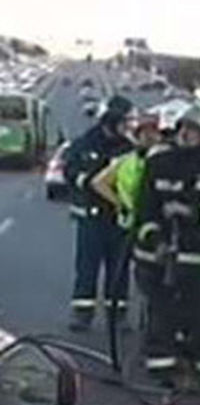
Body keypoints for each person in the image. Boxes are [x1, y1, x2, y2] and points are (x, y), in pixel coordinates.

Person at [133, 103, 200, 394]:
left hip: (197, 255)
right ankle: (162, 366)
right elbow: (144, 211)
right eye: (183, 129)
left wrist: (193, 213)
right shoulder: (159, 163)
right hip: (157, 256)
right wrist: (155, 240)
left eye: (193, 132)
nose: (186, 136)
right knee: (162, 311)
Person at [63, 95, 135, 332]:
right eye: (124, 121)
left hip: (118, 217)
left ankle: (118, 314)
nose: (127, 126)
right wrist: (89, 181)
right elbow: (70, 170)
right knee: (87, 266)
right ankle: (82, 313)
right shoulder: (85, 143)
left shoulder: (127, 147)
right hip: (92, 216)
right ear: (111, 120)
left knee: (119, 268)